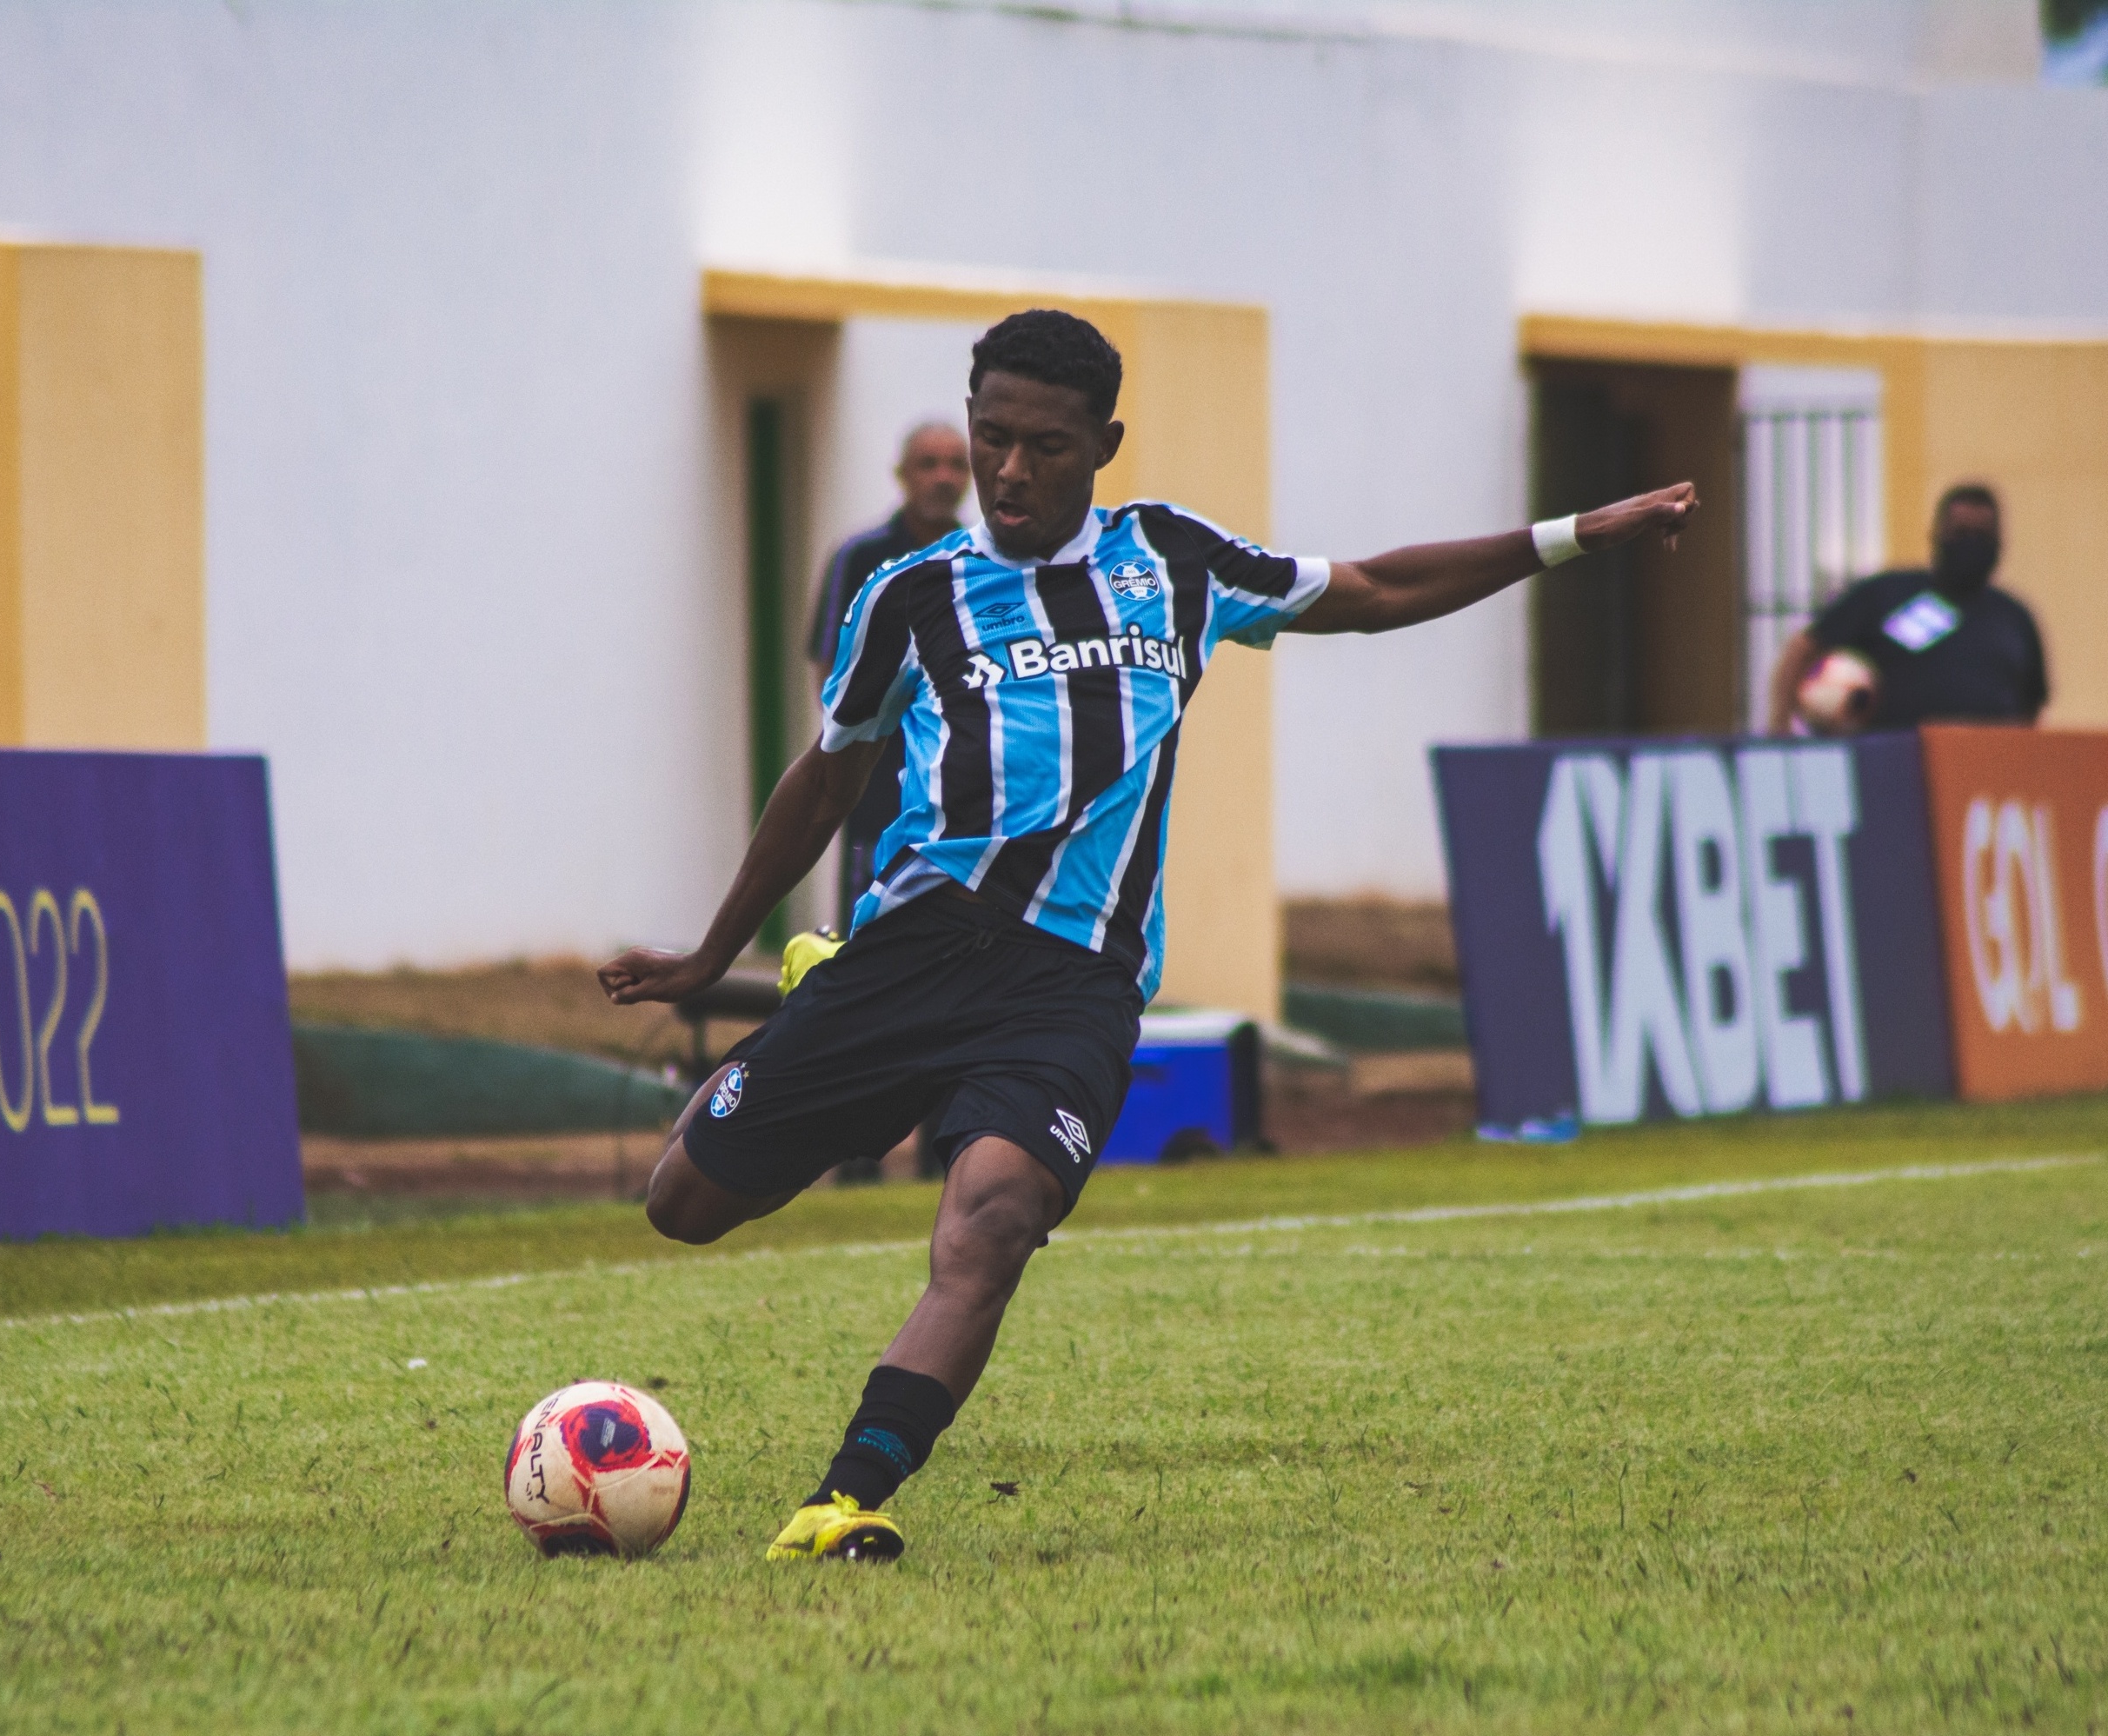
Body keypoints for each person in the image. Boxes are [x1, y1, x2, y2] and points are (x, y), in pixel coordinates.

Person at [598, 309, 1696, 1565]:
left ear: (1102, 443)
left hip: (1068, 985)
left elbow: (1376, 587)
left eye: (1045, 447)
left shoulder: (1172, 560)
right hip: (907, 951)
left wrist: (1573, 537)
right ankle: (818, 991)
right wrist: (707, 954)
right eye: (991, 439)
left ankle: (849, 1494)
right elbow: (825, 779)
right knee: (680, 1204)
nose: (1011, 471)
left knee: (992, 1216)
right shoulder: (907, 599)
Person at [808, 421, 973, 934]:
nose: (943, 477)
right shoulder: (859, 557)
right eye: (929, 464)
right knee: (867, 918)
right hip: (878, 770)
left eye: (956, 464)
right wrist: (856, 748)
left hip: (964, 772)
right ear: (902, 475)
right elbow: (827, 663)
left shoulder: (984, 558)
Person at [1766, 483, 2046, 734]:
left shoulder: (2015, 618)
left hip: (1983, 776)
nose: (1971, 545)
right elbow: (1804, 648)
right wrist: (1780, 723)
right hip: (1897, 765)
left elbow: (2031, 706)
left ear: (1999, 543)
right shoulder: (1887, 595)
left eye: (1981, 536)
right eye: (1961, 533)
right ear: (1936, 535)